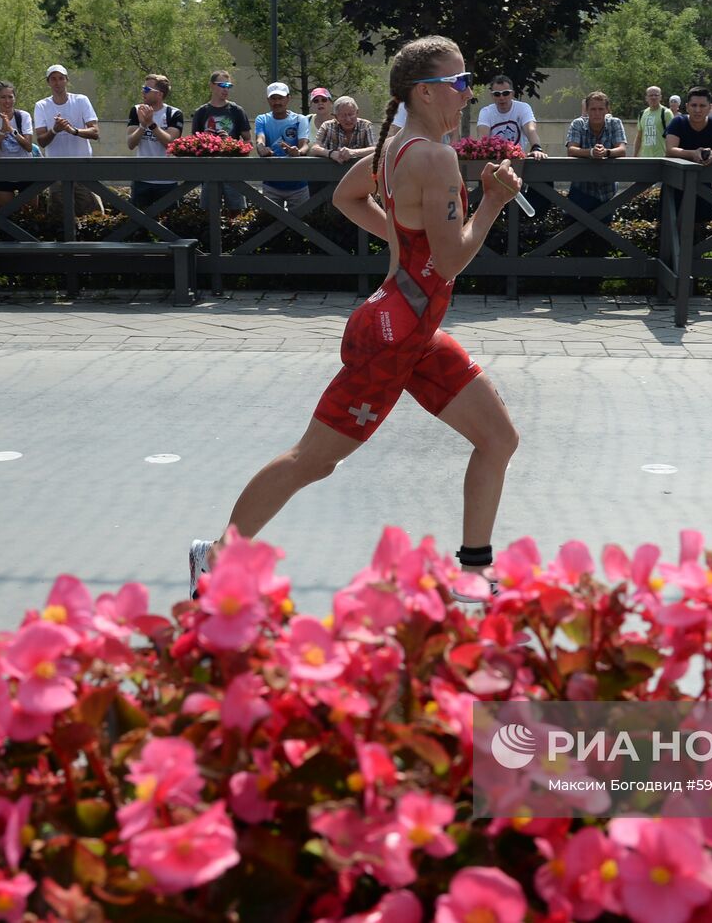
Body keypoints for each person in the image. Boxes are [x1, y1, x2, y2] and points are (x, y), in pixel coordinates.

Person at [188, 36, 522, 603]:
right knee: (312, 461)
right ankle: (214, 558)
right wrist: (491, 201)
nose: (467, 94)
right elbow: (449, 262)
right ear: (425, 90)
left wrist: (401, 237)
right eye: (459, 83)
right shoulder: (433, 157)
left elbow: (347, 198)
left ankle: (473, 569)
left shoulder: (392, 146)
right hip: (395, 333)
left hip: (410, 328)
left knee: (498, 438)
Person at [33, 64, 103, 216]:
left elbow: (95, 132)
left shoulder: (81, 100)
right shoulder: (41, 105)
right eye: (53, 79)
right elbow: (42, 141)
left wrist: (74, 131)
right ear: (48, 82)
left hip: (83, 167)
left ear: (66, 81)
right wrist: (55, 130)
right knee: (59, 216)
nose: (57, 82)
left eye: (61, 78)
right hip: (56, 169)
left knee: (93, 212)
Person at [665, 86, 712, 223]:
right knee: (669, 230)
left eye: (702, 105)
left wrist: (711, 154)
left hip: (704, 187)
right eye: (694, 105)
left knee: (704, 229)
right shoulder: (678, 122)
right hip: (674, 185)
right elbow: (670, 150)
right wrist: (693, 154)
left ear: (709, 107)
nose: (697, 110)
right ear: (687, 106)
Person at [192, 70, 251, 212]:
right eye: (222, 85)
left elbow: (248, 141)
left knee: (236, 212)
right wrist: (204, 139)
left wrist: (231, 142)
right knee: (209, 212)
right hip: (208, 171)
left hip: (233, 170)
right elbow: (193, 145)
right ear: (212, 86)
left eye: (228, 86)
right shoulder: (201, 112)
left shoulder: (237, 110)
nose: (225, 89)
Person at [127, 73, 184, 210]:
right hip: (141, 179)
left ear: (159, 94)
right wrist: (143, 126)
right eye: (142, 88)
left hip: (167, 181)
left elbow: (170, 144)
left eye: (147, 89)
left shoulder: (174, 113)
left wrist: (151, 124)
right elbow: (130, 144)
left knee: (168, 223)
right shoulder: (136, 110)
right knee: (138, 224)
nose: (143, 91)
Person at [564, 91, 627, 216]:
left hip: (607, 190)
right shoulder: (578, 124)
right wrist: (591, 152)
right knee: (573, 228)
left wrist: (606, 152)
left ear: (607, 110)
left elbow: (622, 149)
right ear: (586, 110)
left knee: (605, 232)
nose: (597, 113)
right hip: (581, 189)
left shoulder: (615, 123)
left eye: (600, 109)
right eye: (593, 109)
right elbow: (571, 150)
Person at [254, 82, 311, 208]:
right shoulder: (262, 119)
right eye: (273, 98)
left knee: (301, 224)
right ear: (268, 100)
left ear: (288, 98)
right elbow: (260, 138)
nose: (277, 102)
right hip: (271, 182)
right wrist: (260, 147)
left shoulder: (300, 119)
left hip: (298, 183)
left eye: (280, 98)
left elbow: (305, 145)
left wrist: (298, 152)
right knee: (269, 223)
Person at [0, 81, 35, 209]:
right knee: (6, 215)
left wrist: (12, 130)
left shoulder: (23, 116)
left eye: (10, 97)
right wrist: (2, 132)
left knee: (31, 214)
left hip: (26, 170)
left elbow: (28, 146)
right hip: (3, 172)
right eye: (3, 97)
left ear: (15, 98)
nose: (7, 101)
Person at [475, 76, 547, 158]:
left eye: (505, 93)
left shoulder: (523, 108)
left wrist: (536, 148)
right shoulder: (486, 112)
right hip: (494, 159)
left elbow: (530, 130)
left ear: (512, 94)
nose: (501, 98)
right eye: (497, 94)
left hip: (517, 159)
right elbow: (483, 138)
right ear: (492, 96)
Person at [312, 96, 376, 163]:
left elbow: (375, 149)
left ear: (357, 113)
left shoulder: (366, 125)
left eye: (351, 114)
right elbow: (314, 149)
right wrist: (331, 153)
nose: (348, 119)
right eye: (343, 115)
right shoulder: (327, 126)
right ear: (336, 117)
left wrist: (353, 152)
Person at [633, 86, 672, 158]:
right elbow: (639, 137)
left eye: (656, 95)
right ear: (646, 98)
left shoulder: (666, 113)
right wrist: (635, 156)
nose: (653, 97)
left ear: (660, 97)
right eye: (650, 95)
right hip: (645, 158)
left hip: (662, 158)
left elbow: (672, 137)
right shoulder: (642, 114)